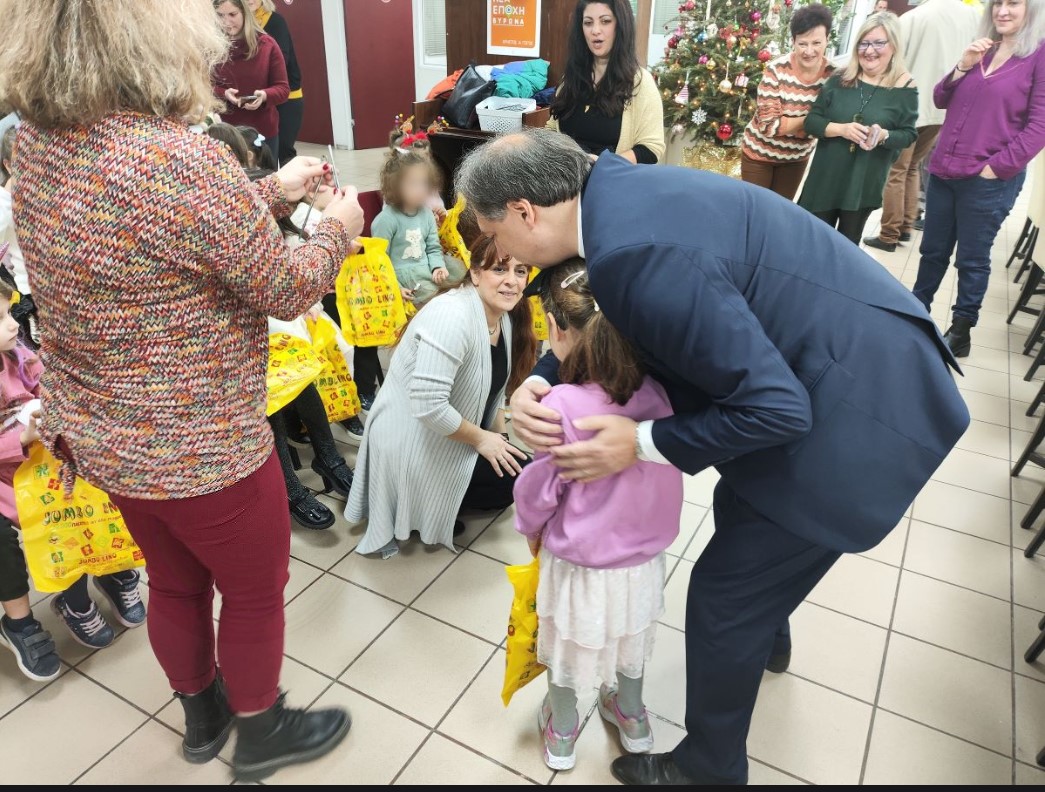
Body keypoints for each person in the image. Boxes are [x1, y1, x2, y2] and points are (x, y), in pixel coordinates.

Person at [455, 129, 969, 785]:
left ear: (525, 211)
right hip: (843, 356)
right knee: (743, 511)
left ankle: (710, 769)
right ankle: (767, 631)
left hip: (858, 409)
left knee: (724, 599)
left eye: (493, 232)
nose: (501, 252)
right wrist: (542, 375)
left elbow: (777, 411)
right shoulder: (614, 195)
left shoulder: (634, 254)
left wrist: (640, 443)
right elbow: (612, 314)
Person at [0, 0, 365, 780]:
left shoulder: (34, 144)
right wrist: (337, 225)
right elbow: (281, 286)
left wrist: (272, 190)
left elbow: (150, 230)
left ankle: (203, 718)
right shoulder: (177, 158)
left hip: (106, 439)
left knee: (173, 582)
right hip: (205, 448)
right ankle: (260, 730)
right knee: (255, 592)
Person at [513, 259, 684, 772]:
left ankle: (563, 732)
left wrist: (530, 527)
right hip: (641, 562)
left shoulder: (560, 404)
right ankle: (632, 719)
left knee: (565, 645)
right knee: (630, 639)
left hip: (580, 562)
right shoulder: (658, 396)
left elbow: (540, 489)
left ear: (556, 329)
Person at [346, 238, 538, 558]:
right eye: (499, 269)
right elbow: (429, 406)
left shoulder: (502, 317)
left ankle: (440, 497)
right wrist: (482, 440)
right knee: (512, 480)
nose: (512, 281)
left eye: (520, 271)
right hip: (410, 436)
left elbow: (494, 391)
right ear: (475, 273)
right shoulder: (452, 316)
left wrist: (500, 439)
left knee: (518, 471)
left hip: (444, 427)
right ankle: (423, 505)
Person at [912, 0, 1045, 358]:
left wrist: (995, 168)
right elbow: (940, 98)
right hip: (944, 170)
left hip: (988, 180)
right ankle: (915, 311)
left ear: (1031, 9)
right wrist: (962, 65)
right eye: (997, 3)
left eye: (1013, 3)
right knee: (932, 251)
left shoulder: (1039, 55)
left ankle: (961, 330)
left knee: (971, 259)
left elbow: (1040, 126)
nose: (1003, 10)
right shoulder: (983, 49)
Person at [864, 0, 981, 252]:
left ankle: (889, 234)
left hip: (909, 107)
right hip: (943, 108)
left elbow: (891, 63)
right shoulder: (973, 17)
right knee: (912, 166)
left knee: (896, 170)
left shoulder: (912, 19)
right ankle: (906, 225)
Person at [798, 12, 918, 244]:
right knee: (810, 243)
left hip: (862, 186)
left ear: (893, 46)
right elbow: (811, 121)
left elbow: (908, 135)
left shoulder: (905, 88)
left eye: (879, 43)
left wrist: (883, 135)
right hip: (824, 180)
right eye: (864, 43)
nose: (869, 50)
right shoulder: (840, 78)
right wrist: (841, 129)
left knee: (846, 248)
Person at [0, 280, 59, 680]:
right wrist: (21, 438)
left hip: (32, 462)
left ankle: (104, 578)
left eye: (9, 313)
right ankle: (18, 621)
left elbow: (43, 386)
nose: (12, 324)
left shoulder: (17, 354)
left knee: (76, 495)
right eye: (1, 318)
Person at [548, 1, 665, 163]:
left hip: (611, 176)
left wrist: (602, 164)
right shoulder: (571, 77)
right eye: (588, 23)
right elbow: (552, 130)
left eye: (605, 21)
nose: (595, 30)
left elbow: (651, 149)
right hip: (568, 177)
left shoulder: (640, 82)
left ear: (620, 25)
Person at [740, 4, 835, 200]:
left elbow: (830, 122)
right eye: (802, 43)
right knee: (756, 210)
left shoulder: (833, 76)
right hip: (759, 155)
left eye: (816, 43)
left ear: (827, 40)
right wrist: (810, 120)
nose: (809, 51)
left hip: (796, 159)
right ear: (793, 41)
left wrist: (790, 124)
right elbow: (769, 127)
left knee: (781, 211)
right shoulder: (776, 70)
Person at [373, 134, 452, 307]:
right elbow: (378, 260)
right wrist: (395, 287)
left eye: (424, 183)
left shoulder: (426, 214)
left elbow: (433, 247)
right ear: (395, 186)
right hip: (403, 276)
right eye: (413, 184)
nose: (421, 189)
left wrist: (438, 267)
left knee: (461, 274)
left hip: (426, 269)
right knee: (439, 301)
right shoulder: (386, 219)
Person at [213, 0, 289, 164]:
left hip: (262, 132)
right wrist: (223, 93)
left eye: (232, 14)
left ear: (245, 13)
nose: (226, 22)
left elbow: (283, 89)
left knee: (265, 178)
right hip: (224, 133)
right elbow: (202, 87)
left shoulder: (267, 44)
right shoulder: (211, 47)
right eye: (220, 15)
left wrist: (264, 96)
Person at [249, 0, 304, 164]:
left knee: (285, 151)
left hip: (287, 97)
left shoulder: (275, 21)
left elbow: (282, 60)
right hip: (257, 98)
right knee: (262, 154)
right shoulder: (237, 26)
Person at [0, 126, 37, 347]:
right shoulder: (4, 201)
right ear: (8, 165)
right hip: (28, 291)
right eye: (21, 160)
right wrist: (7, 194)